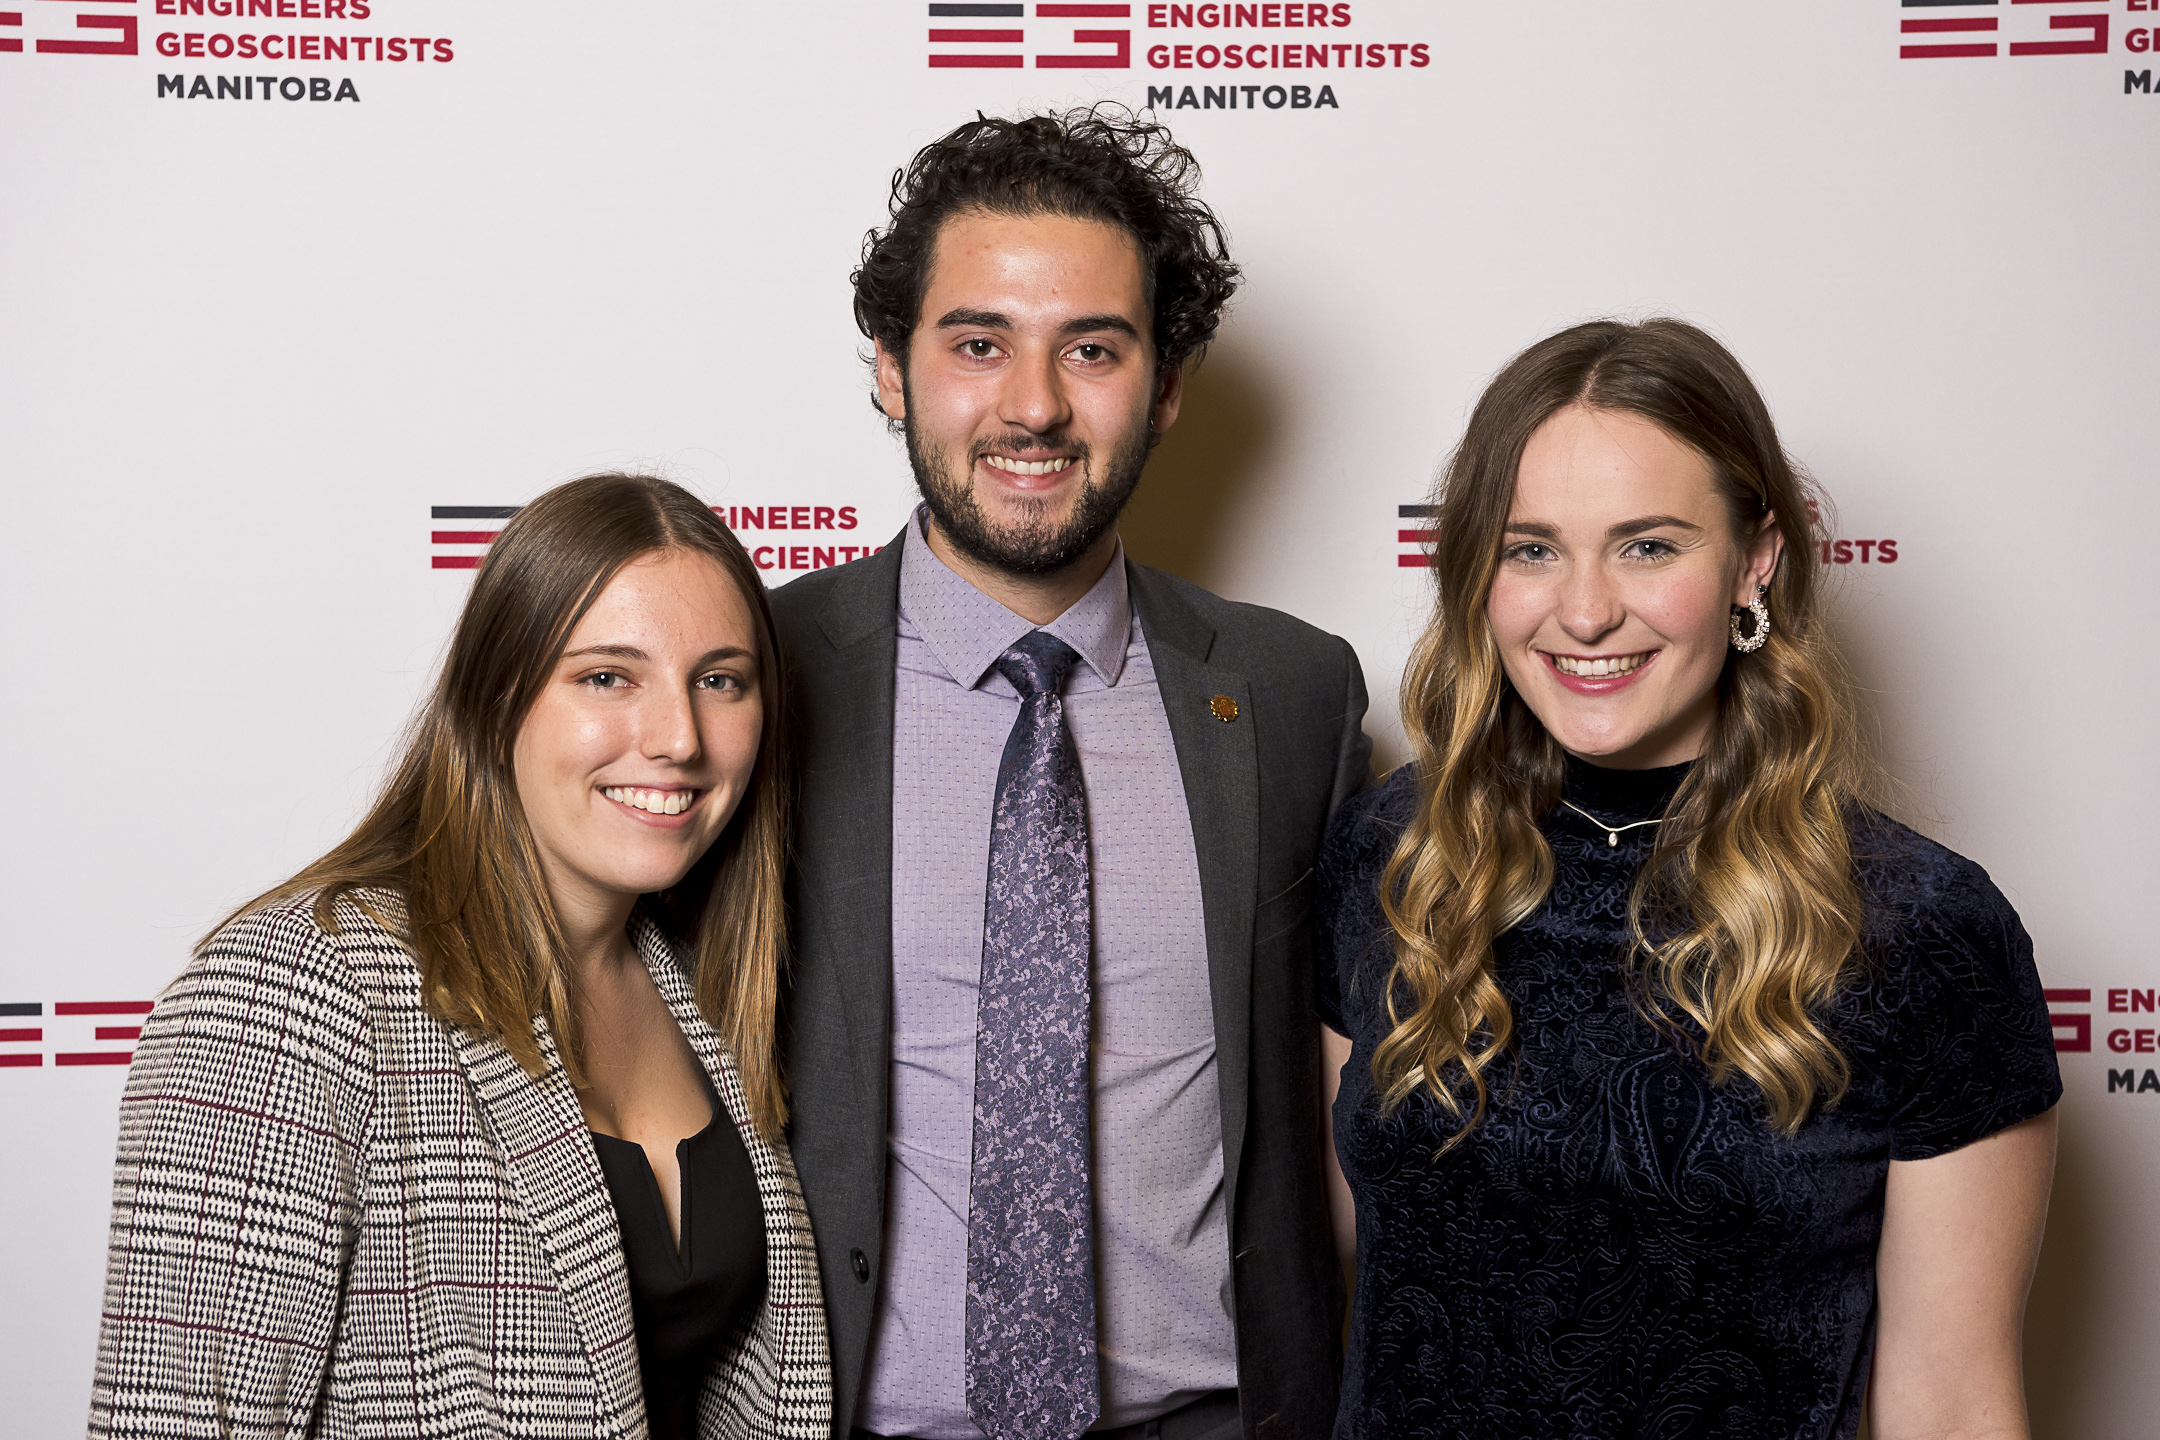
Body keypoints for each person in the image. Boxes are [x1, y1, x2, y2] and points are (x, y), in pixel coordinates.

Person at [1317, 319, 2063, 1440]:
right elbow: (1349, 1293)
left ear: (1755, 559)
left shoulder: (1925, 930)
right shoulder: (1391, 858)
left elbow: (1952, 1402)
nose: (1583, 611)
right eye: (1531, 548)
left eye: (1648, 546)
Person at [770, 109, 1371, 1440]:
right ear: (891, 370)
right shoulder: (758, 676)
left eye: (1091, 349)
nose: (1033, 405)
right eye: (978, 344)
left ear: (1163, 385)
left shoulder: (1294, 693)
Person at [89, 475, 830, 1440]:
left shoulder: (698, 977)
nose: (679, 738)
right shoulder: (293, 989)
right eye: (608, 676)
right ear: (495, 697)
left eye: (719, 679)